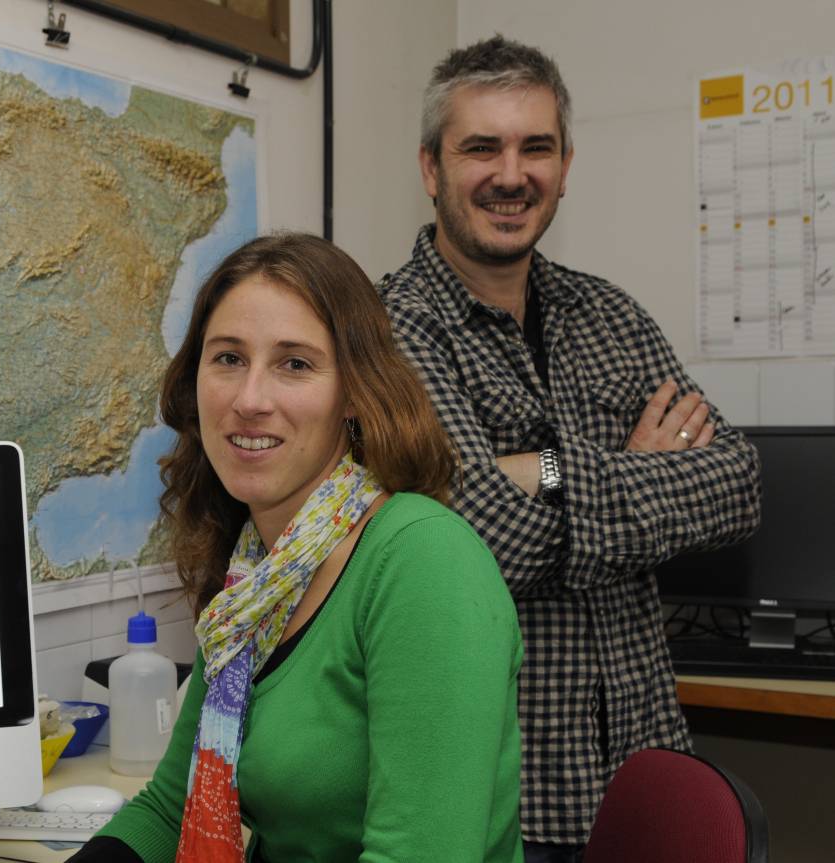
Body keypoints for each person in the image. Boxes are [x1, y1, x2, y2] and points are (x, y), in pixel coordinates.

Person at [376, 36, 762, 862]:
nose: (510, 174)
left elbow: (737, 482)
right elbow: (480, 532)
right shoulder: (390, 328)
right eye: (480, 146)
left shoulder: (608, 314)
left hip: (642, 760)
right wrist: (639, 470)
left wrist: (546, 470)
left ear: (564, 163)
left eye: (534, 147)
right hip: (500, 790)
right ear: (430, 168)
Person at [70, 233, 524, 862]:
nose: (250, 399)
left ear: (356, 395)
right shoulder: (258, 573)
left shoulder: (423, 561)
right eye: (228, 358)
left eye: (295, 364)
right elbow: (171, 809)